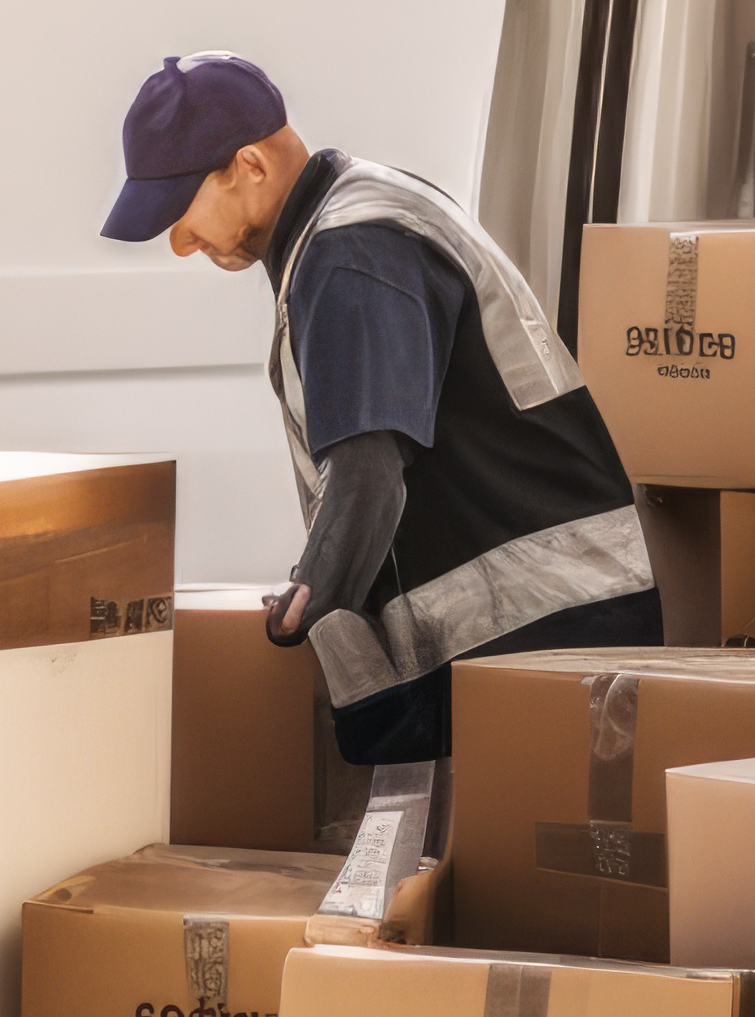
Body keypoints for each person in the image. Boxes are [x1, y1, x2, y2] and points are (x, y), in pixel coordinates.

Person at [100, 51, 657, 775]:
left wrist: (299, 608)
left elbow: (368, 474)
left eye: (182, 209)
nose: (179, 242)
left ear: (250, 165)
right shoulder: (356, 218)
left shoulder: (350, 253)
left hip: (546, 644)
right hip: (549, 642)